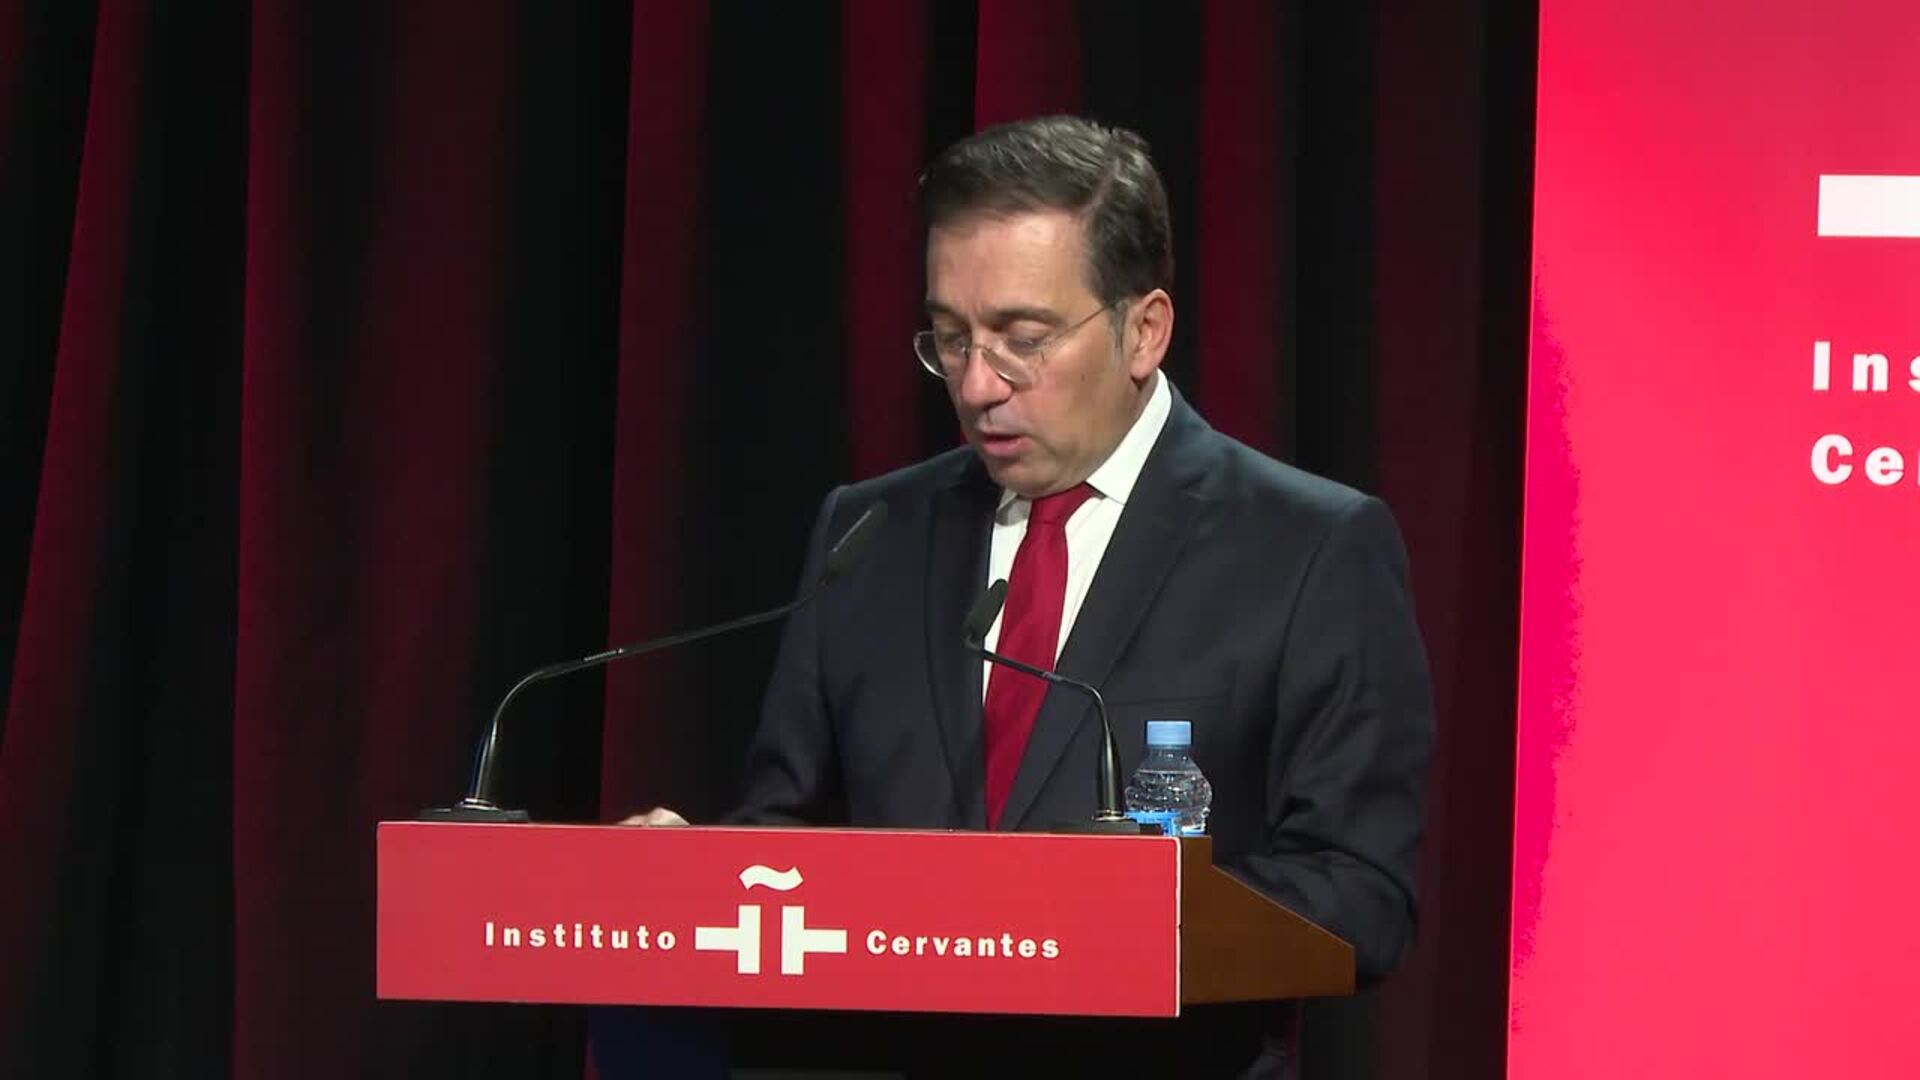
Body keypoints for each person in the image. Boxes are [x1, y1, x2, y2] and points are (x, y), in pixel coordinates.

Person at [625, 115, 1433, 1078]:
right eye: (951, 338)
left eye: (1023, 340)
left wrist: (1100, 922)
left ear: (1144, 330)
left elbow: (1361, 895)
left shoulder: (1308, 548)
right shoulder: (869, 534)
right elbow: (787, 827)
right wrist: (695, 879)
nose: (978, 385)